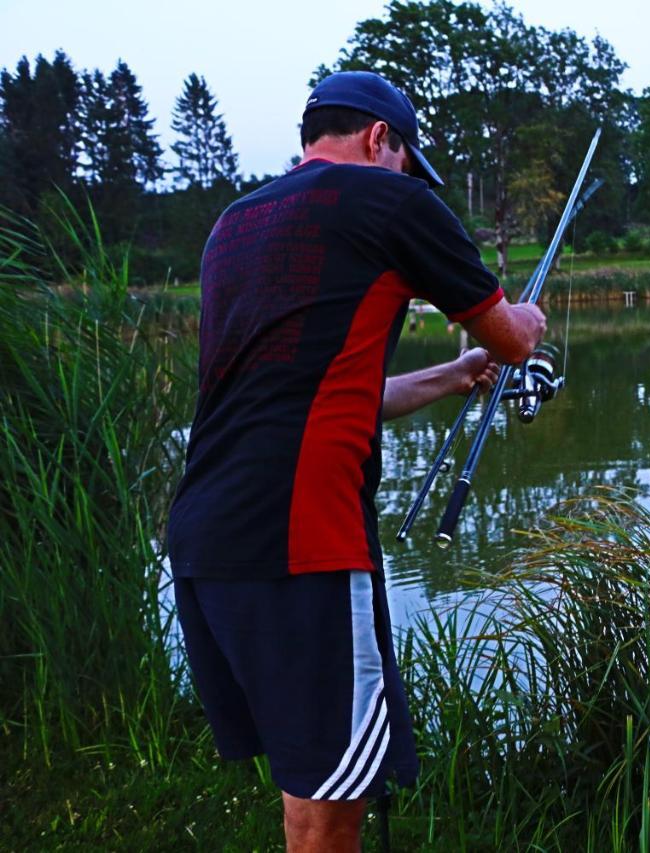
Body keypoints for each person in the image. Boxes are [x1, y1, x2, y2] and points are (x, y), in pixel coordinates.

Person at [167, 71, 546, 851]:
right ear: (381, 140)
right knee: (335, 803)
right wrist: (528, 323)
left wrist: (455, 372)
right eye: (408, 160)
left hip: (206, 536)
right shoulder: (390, 200)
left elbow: (312, 397)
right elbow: (511, 334)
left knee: (308, 784)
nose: (411, 179)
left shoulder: (233, 225)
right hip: (303, 538)